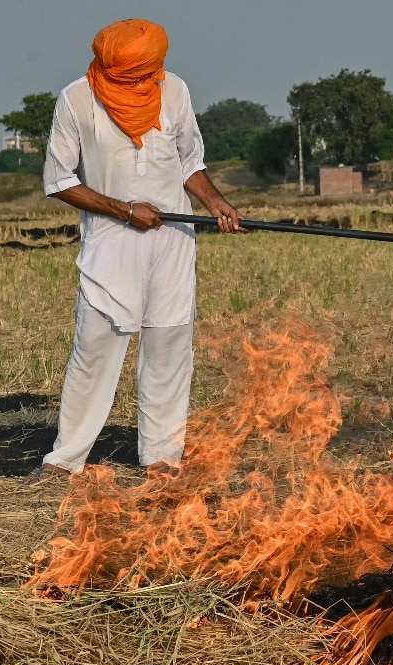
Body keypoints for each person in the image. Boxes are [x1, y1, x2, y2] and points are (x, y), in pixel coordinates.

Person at [24, 18, 244, 483]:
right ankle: (66, 460)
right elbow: (60, 181)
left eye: (150, 74)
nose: (144, 83)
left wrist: (216, 202)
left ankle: (162, 458)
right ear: (109, 66)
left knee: (169, 347)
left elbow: (189, 160)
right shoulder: (77, 100)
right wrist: (124, 210)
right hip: (112, 244)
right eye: (133, 76)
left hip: (172, 242)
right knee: (95, 350)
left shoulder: (175, 89)